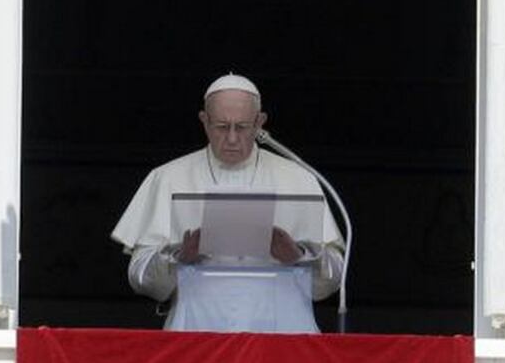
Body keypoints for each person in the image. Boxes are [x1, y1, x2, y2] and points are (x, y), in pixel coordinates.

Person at [111, 73, 345, 330]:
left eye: (243, 127)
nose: (232, 138)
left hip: (284, 332)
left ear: (260, 122)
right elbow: (140, 278)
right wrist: (177, 258)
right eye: (222, 127)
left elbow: (332, 281)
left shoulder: (299, 177)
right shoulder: (167, 177)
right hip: (196, 331)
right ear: (204, 121)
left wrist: (299, 257)